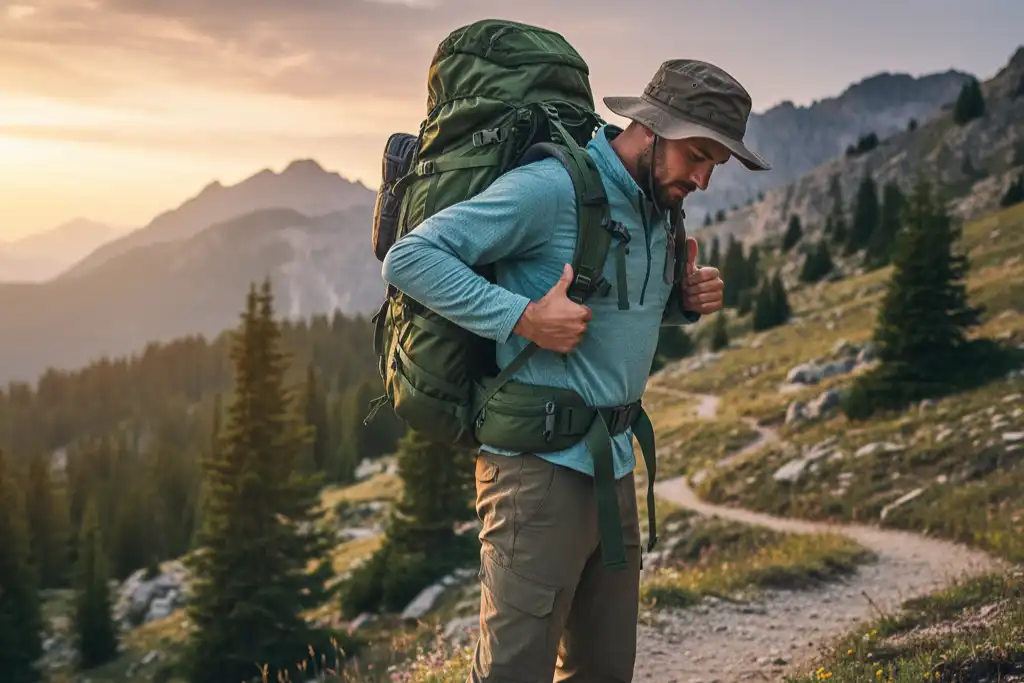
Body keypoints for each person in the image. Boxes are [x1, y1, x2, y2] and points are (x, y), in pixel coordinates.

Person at [381, 58, 769, 683]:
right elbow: (411, 257)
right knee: (514, 673)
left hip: (614, 466)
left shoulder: (658, 205)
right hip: (536, 475)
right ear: (650, 128)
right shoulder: (551, 189)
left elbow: (608, 311)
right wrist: (522, 316)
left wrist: (681, 304)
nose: (702, 178)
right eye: (697, 155)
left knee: (604, 672)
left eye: (714, 165)